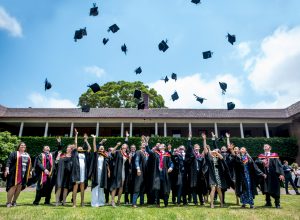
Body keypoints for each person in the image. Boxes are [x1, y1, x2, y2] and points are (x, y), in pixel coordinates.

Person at [33, 137, 62, 205]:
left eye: (48, 147)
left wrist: (59, 142)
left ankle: (47, 201)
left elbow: (59, 150)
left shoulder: (52, 154)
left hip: (51, 174)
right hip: (43, 174)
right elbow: (39, 163)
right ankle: (36, 201)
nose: (48, 147)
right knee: (40, 187)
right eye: (46, 147)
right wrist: (44, 169)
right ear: (43, 149)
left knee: (49, 188)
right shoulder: (41, 155)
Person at [203, 133, 228, 208]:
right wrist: (204, 140)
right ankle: (212, 204)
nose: (215, 151)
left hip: (219, 175)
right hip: (212, 175)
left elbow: (221, 157)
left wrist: (217, 152)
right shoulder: (210, 158)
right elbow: (205, 150)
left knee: (219, 190)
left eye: (217, 151)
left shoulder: (219, 157)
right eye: (214, 150)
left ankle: (221, 203)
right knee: (213, 189)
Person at [146, 139, 174, 207]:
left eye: (162, 146)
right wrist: (147, 144)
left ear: (164, 147)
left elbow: (171, 163)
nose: (161, 146)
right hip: (157, 174)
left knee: (165, 189)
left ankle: (166, 203)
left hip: (164, 174)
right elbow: (149, 151)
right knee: (157, 188)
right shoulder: (156, 153)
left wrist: (171, 167)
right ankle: (157, 203)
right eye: (160, 146)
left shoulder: (167, 155)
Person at [255, 144, 285, 208]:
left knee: (276, 189)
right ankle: (268, 202)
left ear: (270, 148)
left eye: (266, 146)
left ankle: (277, 203)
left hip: (274, 175)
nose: (265, 147)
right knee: (266, 189)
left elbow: (279, 165)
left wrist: (281, 174)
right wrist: (261, 161)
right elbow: (256, 162)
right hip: (265, 175)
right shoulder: (261, 156)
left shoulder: (274, 155)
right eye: (264, 146)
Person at [4, 142, 31, 208]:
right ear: (19, 146)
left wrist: (30, 172)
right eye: (21, 145)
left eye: (24, 145)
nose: (23, 146)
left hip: (23, 174)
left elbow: (29, 164)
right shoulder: (14, 153)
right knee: (13, 187)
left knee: (19, 187)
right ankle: (8, 202)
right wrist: (7, 169)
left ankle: (14, 201)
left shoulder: (27, 154)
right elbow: (9, 161)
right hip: (14, 173)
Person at [185, 132, 208, 206]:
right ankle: (195, 201)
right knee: (193, 188)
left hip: (200, 174)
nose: (196, 148)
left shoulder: (201, 156)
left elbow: (205, 151)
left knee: (200, 188)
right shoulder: (192, 154)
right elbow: (189, 147)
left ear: (199, 148)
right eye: (195, 147)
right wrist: (189, 138)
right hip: (193, 173)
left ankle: (201, 201)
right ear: (194, 149)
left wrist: (204, 139)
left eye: (197, 147)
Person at [110, 133, 131, 207]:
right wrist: (117, 145)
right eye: (123, 146)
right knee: (115, 186)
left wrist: (130, 158)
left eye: (125, 147)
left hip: (123, 172)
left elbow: (129, 164)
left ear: (126, 148)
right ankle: (112, 201)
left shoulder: (127, 154)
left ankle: (118, 201)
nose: (124, 147)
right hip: (117, 171)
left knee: (121, 186)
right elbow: (112, 152)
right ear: (121, 147)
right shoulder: (118, 152)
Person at [71, 130, 92, 207]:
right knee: (75, 187)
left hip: (83, 172)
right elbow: (76, 144)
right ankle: (74, 204)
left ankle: (82, 203)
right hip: (76, 172)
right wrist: (76, 135)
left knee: (82, 187)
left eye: (81, 147)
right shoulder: (75, 153)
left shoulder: (84, 153)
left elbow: (89, 148)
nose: (80, 147)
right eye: (79, 147)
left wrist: (86, 141)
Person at [89, 135, 110, 207]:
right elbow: (94, 146)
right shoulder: (96, 154)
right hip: (96, 173)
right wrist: (94, 138)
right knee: (95, 187)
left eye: (103, 148)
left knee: (101, 187)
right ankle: (95, 203)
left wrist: (108, 171)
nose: (101, 149)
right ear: (99, 149)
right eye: (100, 148)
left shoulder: (104, 156)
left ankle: (101, 202)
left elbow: (107, 165)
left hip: (102, 173)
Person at [132, 136, 149, 208]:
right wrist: (138, 169)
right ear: (140, 146)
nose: (143, 147)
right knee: (137, 188)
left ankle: (142, 203)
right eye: (142, 146)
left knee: (142, 188)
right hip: (140, 172)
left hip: (145, 173)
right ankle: (134, 203)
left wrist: (146, 141)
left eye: (144, 146)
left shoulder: (146, 153)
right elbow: (136, 160)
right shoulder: (138, 152)